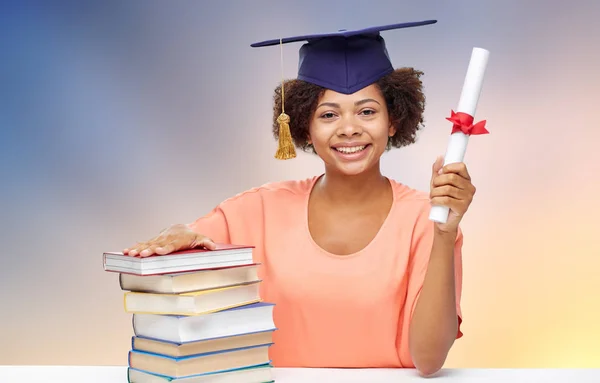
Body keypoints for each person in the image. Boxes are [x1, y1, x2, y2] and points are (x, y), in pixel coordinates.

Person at [123, 20, 477, 377]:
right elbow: (193, 241)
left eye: (367, 111)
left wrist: (445, 236)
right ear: (304, 126)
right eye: (328, 115)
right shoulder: (259, 210)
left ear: (394, 121)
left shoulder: (427, 219)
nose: (349, 128)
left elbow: (429, 361)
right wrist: (179, 233)